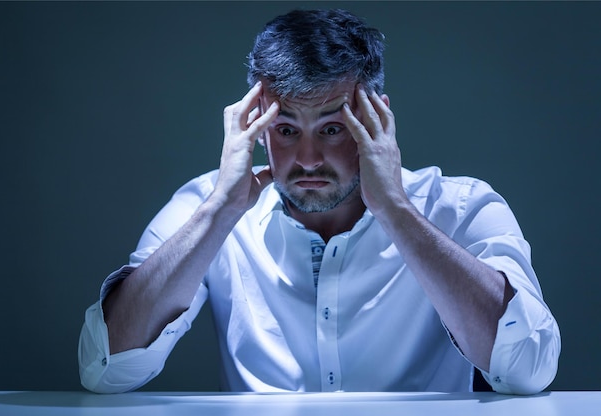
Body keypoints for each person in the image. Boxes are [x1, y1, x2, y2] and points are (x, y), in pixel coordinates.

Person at [78, 9, 560, 395]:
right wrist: (220, 213)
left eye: (332, 128)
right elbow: (105, 369)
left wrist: (396, 211)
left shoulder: (462, 209)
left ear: (377, 120)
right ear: (256, 125)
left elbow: (529, 369)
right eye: (286, 130)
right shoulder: (207, 209)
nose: (307, 159)